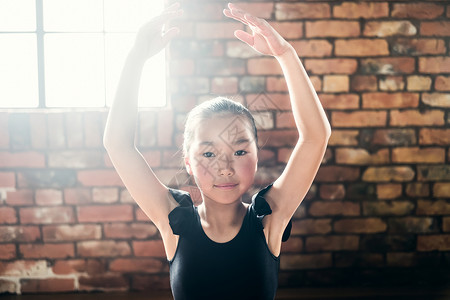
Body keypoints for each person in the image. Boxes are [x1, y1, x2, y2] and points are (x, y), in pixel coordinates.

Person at [103, 2, 331, 300]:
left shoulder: (270, 219)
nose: (225, 167)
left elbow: (316, 136)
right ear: (188, 160)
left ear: (256, 155)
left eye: (239, 151)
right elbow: (118, 145)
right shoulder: (172, 220)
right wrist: (135, 58)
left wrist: (285, 55)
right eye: (209, 154)